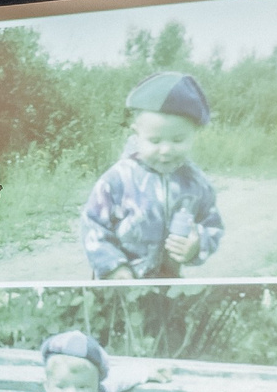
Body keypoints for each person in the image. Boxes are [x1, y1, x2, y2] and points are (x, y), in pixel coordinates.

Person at [80, 71, 223, 280]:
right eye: (155, 141)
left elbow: (212, 226)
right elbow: (92, 224)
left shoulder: (196, 184)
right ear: (137, 134)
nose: (166, 150)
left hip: (166, 284)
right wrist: (113, 267)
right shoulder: (118, 180)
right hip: (118, 281)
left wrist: (197, 244)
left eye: (178, 140)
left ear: (194, 133)